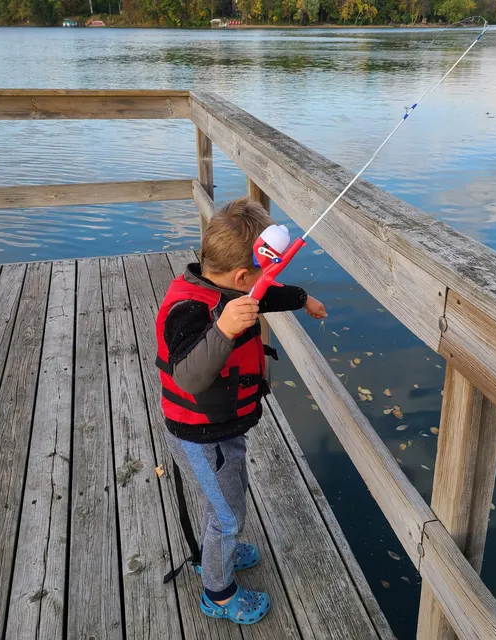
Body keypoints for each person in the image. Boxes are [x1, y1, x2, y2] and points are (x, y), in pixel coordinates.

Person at [155, 197, 326, 625]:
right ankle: (218, 592)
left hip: (222, 430)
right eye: (264, 276)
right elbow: (187, 377)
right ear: (241, 278)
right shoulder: (189, 310)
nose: (266, 285)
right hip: (198, 436)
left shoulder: (233, 288)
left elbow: (265, 297)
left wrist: (303, 298)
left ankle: (219, 549)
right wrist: (223, 330)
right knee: (228, 516)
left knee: (225, 501)